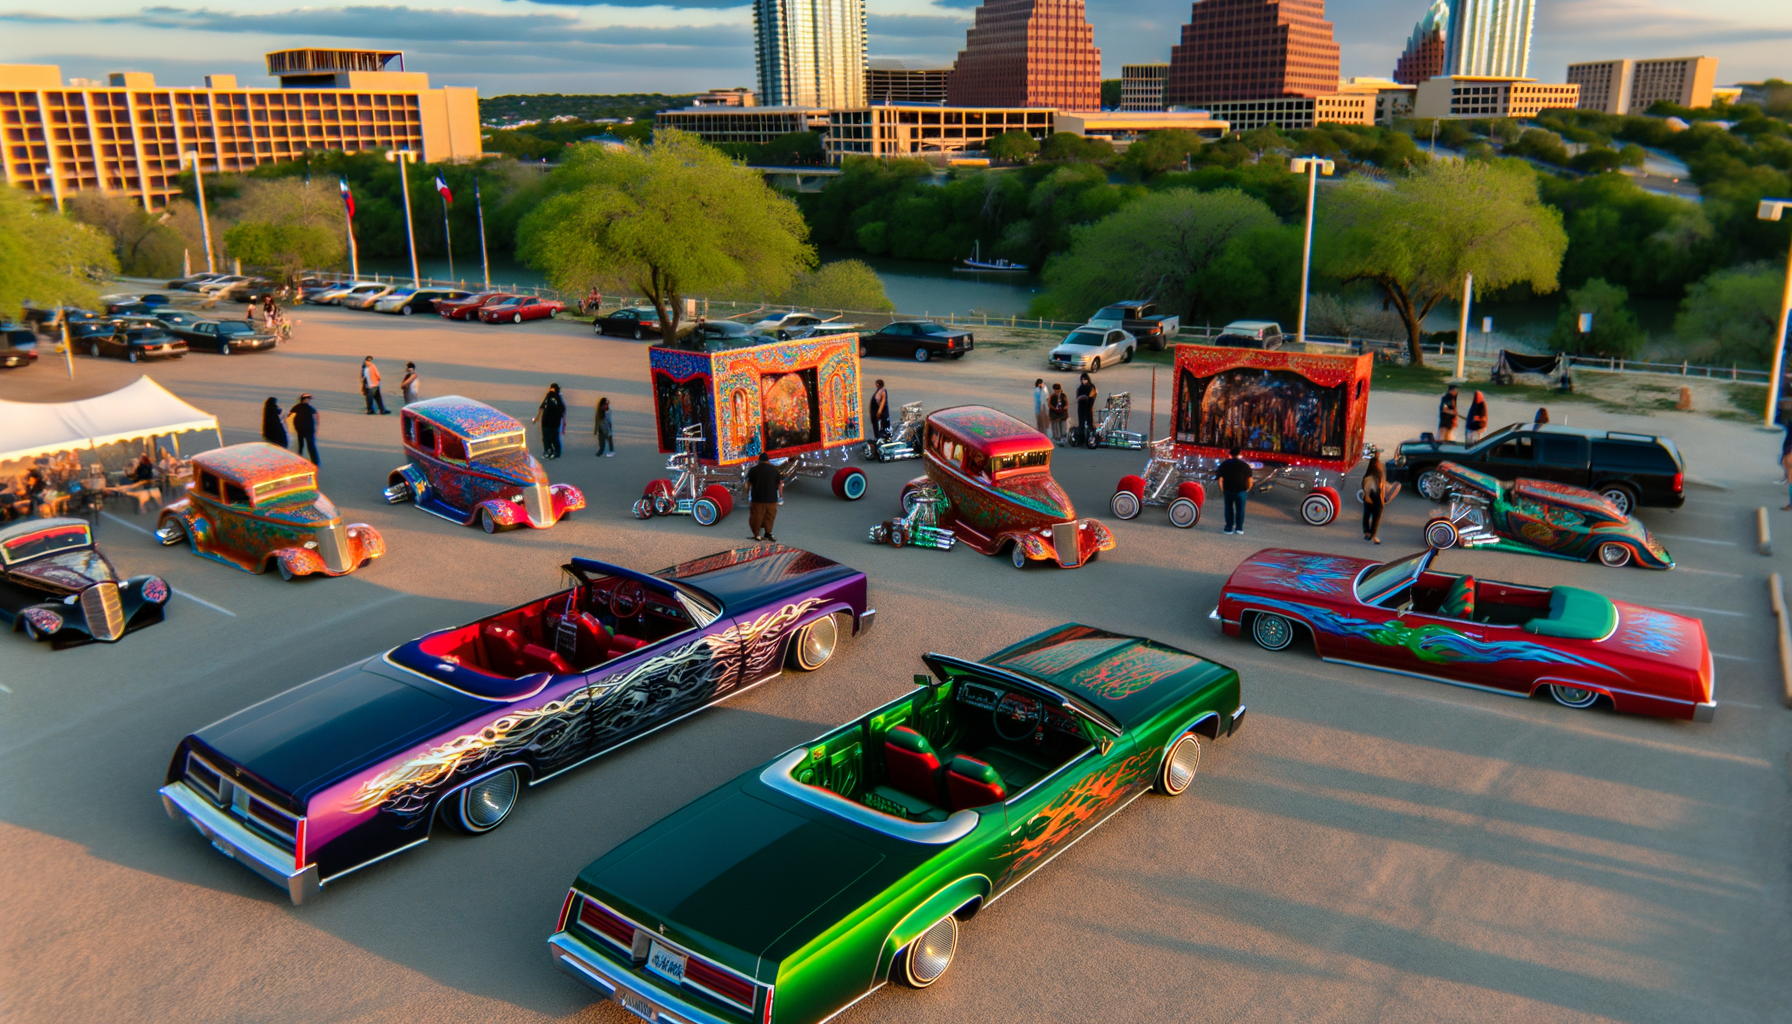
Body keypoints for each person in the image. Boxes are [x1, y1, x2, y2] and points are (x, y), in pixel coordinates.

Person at [1214, 446, 1253, 536]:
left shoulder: (1224, 464)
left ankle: (1229, 528)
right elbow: (1250, 480)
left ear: (1230, 454)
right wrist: (1247, 489)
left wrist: (1223, 489)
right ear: (1240, 454)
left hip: (1228, 489)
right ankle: (1239, 528)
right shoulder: (1245, 465)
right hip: (1241, 490)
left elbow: (1220, 480)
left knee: (1228, 509)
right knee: (1240, 510)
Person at [1362, 451, 1398, 544]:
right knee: (1376, 518)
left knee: (1366, 515)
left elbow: (1365, 487)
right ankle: (1373, 536)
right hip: (1376, 499)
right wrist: (1382, 501)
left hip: (1368, 499)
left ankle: (1366, 532)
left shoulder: (1367, 475)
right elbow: (1381, 489)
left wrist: (1367, 497)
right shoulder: (1378, 476)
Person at [746, 452, 782, 542]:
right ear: (768, 460)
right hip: (772, 499)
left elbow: (748, 484)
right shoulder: (774, 470)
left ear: (759, 460)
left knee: (756, 517)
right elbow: (780, 484)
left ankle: (757, 535)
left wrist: (746, 494)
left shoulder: (754, 470)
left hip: (757, 499)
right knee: (769, 517)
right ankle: (768, 533)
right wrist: (781, 497)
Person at [534, 383, 566, 459]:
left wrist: (560, 419)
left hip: (553, 423)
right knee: (545, 438)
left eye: (553, 389)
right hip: (545, 422)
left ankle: (556, 452)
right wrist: (537, 418)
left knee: (554, 438)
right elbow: (541, 408)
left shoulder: (557, 399)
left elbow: (562, 411)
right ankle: (548, 451)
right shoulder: (547, 397)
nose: (551, 390)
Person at [289, 393, 321, 465]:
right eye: (308, 399)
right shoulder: (308, 407)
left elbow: (289, 415)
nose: (309, 400)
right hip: (307, 429)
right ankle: (314, 461)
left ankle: (298, 460)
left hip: (301, 428)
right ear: (304, 399)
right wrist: (316, 427)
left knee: (301, 445)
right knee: (309, 445)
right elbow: (316, 416)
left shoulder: (298, 407)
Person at [1075, 373, 1097, 444]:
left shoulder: (1091, 387)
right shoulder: (1080, 388)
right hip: (1081, 407)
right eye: (1083, 380)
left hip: (1088, 407)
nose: (1084, 381)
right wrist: (1080, 398)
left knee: (1089, 422)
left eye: (1085, 380)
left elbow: (1092, 396)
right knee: (1081, 423)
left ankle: (1091, 438)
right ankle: (1081, 438)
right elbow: (1077, 397)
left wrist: (1087, 398)